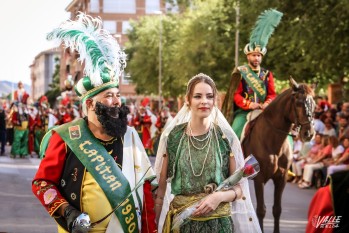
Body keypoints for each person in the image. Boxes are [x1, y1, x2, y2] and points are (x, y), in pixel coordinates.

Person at [32, 13, 156, 233]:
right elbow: (42, 184)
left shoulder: (130, 137)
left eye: (118, 95)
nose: (117, 101)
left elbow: (145, 193)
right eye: (109, 96)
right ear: (90, 104)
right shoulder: (65, 137)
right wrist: (67, 212)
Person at [154, 73, 261, 233]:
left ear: (214, 101)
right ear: (188, 100)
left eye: (209, 96)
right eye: (198, 96)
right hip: (182, 225)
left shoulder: (226, 138)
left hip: (218, 225)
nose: (204, 101)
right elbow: (160, 192)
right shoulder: (174, 137)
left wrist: (219, 197)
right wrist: (155, 224)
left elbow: (239, 188)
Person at [222, 9, 282, 139]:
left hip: (264, 110)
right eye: (254, 55)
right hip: (244, 112)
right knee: (231, 135)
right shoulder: (241, 72)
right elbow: (236, 95)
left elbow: (272, 94)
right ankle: (231, 157)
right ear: (248, 56)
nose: (257, 58)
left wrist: (267, 103)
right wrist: (249, 104)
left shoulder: (267, 74)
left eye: (259, 56)